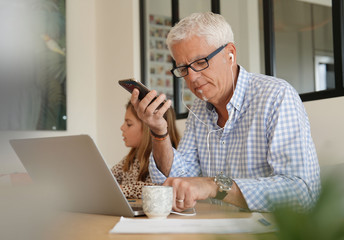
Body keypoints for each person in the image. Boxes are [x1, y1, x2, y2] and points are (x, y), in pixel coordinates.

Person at [130, 12, 320, 212]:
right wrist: (159, 131)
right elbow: (178, 179)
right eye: (183, 68)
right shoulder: (199, 109)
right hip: (218, 228)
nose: (192, 78)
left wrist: (215, 185)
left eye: (201, 62)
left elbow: (300, 192)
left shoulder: (276, 96)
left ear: (230, 54)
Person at [111, 100, 180, 199]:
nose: (122, 128)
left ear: (148, 126)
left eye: (129, 124)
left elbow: (159, 189)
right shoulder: (131, 159)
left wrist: (122, 190)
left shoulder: (171, 161)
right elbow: (108, 178)